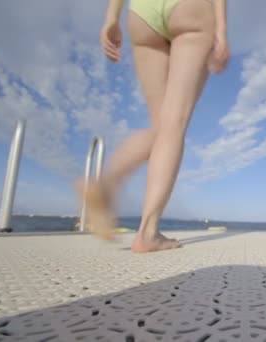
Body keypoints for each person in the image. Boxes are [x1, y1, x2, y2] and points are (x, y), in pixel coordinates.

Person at [77, 0, 230, 253]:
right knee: (174, 125)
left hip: (142, 12)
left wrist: (111, 18)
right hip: (190, 9)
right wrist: (221, 32)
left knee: (161, 128)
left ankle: (105, 185)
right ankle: (147, 232)